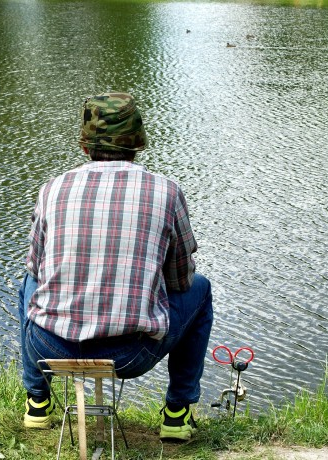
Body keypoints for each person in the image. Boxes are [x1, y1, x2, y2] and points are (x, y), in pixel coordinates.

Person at [18, 92, 213, 441]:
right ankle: (177, 413)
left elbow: (36, 266)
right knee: (201, 289)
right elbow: (181, 280)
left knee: (28, 282)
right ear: (137, 143)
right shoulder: (167, 192)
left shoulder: (52, 189)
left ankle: (37, 401)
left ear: (84, 146)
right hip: (129, 356)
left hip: (50, 350)